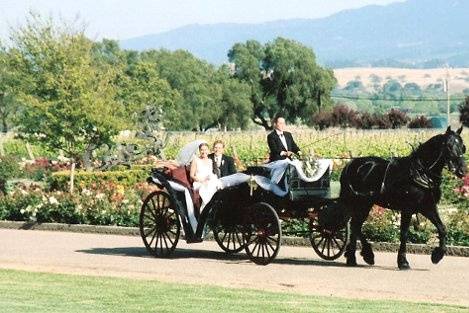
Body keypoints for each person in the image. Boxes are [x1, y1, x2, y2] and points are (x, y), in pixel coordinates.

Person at [190, 142, 221, 209]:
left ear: (208, 150)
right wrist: (201, 180)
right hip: (199, 181)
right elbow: (192, 175)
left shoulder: (210, 161)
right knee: (207, 188)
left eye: (205, 149)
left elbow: (210, 173)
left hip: (209, 180)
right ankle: (205, 208)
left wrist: (210, 178)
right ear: (199, 151)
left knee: (217, 185)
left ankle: (215, 207)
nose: (204, 152)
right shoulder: (196, 160)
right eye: (202, 150)